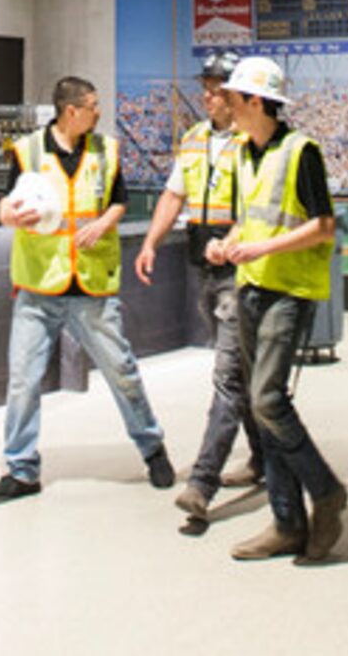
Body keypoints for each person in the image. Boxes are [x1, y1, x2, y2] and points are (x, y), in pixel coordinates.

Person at [0, 76, 175, 504]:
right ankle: (20, 468)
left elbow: (119, 200)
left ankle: (152, 448)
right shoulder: (28, 151)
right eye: (92, 105)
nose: (98, 111)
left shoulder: (107, 151)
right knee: (23, 381)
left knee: (122, 372)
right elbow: (4, 204)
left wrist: (104, 223)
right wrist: (9, 216)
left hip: (91, 286)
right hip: (39, 285)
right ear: (71, 111)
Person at [205, 54, 348, 565]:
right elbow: (250, 220)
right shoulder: (244, 153)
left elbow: (323, 226)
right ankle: (287, 523)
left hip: (289, 292)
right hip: (251, 288)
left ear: (257, 101)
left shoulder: (301, 151)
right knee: (262, 405)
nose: (224, 104)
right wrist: (228, 242)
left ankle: (327, 492)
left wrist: (260, 250)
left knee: (267, 401)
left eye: (233, 97)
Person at [135, 52, 261, 522]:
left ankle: (202, 483)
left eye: (217, 88)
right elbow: (174, 193)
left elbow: (260, 208)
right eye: (205, 87)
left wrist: (234, 243)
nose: (207, 95)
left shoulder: (254, 142)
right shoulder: (192, 140)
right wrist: (151, 241)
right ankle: (267, 458)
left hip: (240, 267)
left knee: (227, 375)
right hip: (202, 263)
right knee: (240, 371)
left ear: (238, 94)